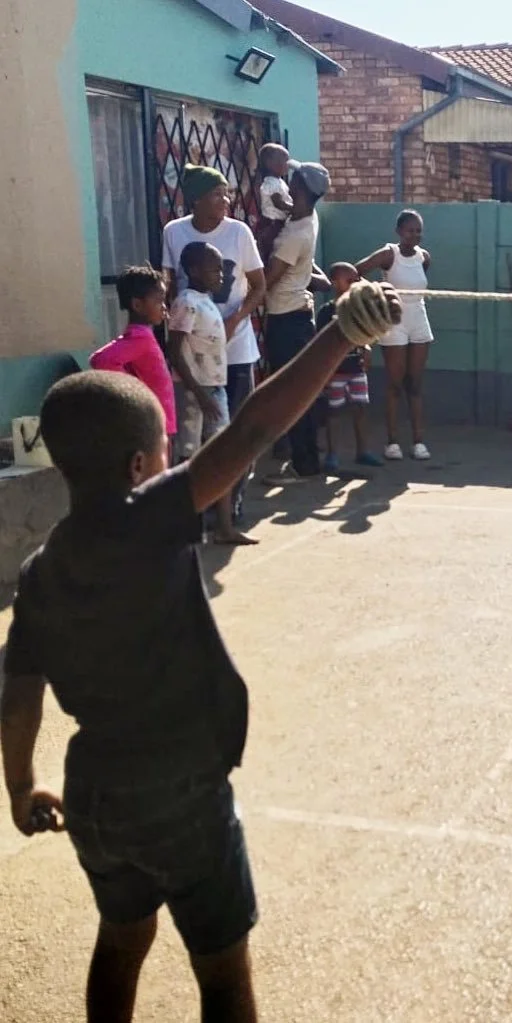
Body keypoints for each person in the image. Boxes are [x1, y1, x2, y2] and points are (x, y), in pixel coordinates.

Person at [0, 279, 402, 1023]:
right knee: (222, 970)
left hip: (94, 792)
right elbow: (250, 431)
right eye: (163, 448)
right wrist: (339, 334)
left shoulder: (39, 572)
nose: (172, 458)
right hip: (179, 792)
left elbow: (19, 687)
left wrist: (21, 784)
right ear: (138, 468)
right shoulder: (148, 517)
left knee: (121, 938)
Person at [162, 164, 266, 524]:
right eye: (217, 194)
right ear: (196, 199)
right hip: (195, 359)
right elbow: (171, 283)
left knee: (238, 430)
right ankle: (195, 510)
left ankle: (231, 504)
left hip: (235, 352)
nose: (225, 200)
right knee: (196, 440)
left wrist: (235, 321)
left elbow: (259, 285)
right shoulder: (174, 232)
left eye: (227, 193)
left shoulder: (239, 232)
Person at [167, 241, 255, 546]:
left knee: (223, 455)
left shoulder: (206, 303)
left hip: (214, 390)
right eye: (214, 268)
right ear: (193, 270)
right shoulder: (186, 303)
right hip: (194, 392)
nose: (221, 274)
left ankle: (224, 526)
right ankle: (188, 527)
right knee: (189, 458)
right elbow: (175, 352)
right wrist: (197, 393)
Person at [261, 160, 333, 484]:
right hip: (297, 315)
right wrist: (282, 205)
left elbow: (270, 278)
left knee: (292, 393)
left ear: (301, 188)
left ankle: (303, 464)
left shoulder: (297, 235)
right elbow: (295, 209)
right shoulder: (305, 216)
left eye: (293, 180)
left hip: (286, 319)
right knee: (299, 389)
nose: (287, 182)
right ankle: (305, 459)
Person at [356, 209, 433, 461]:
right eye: (410, 230)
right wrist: (375, 298)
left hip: (419, 321)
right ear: (399, 232)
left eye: (418, 230)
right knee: (395, 383)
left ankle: (418, 441)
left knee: (416, 383)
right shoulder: (389, 254)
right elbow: (357, 271)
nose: (415, 235)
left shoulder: (424, 257)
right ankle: (392, 442)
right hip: (394, 322)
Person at [89, 265, 176, 460]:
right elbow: (100, 360)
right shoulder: (140, 338)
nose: (164, 306)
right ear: (137, 305)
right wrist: (132, 387)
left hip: (158, 424)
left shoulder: (142, 336)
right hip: (151, 425)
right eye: (159, 301)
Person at [316, 262, 382, 474]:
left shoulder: (359, 308)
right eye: (349, 280)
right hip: (336, 370)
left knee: (361, 407)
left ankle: (363, 451)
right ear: (335, 282)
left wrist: (367, 347)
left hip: (356, 368)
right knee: (333, 411)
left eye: (356, 280)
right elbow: (322, 342)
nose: (354, 284)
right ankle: (332, 454)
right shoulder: (327, 312)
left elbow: (365, 334)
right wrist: (325, 371)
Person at [255, 143, 292, 263]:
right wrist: (295, 208)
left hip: (279, 222)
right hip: (272, 223)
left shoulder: (280, 181)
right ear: (270, 164)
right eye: (284, 160)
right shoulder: (271, 183)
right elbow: (278, 203)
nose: (288, 164)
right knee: (272, 250)